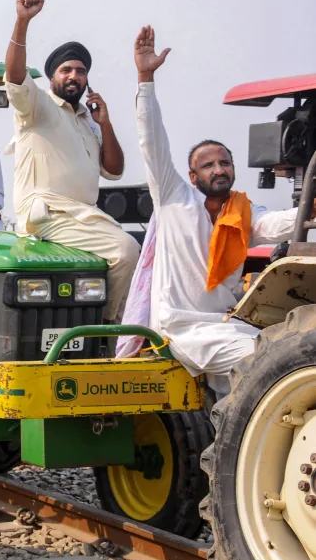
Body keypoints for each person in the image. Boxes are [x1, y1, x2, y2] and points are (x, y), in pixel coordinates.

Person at [129, 26, 305, 395]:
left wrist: (311, 207)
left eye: (225, 162)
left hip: (227, 324)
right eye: (208, 165)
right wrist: (145, 78)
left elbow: (280, 225)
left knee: (284, 351)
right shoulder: (174, 197)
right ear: (193, 176)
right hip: (181, 329)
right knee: (270, 361)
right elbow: (151, 138)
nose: (219, 169)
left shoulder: (243, 211)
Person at [5, 0, 139, 323]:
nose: (74, 76)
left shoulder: (87, 120)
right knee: (125, 250)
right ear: (53, 77)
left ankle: (113, 330)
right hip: (47, 214)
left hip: (83, 217)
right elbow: (15, 76)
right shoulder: (38, 106)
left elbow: (114, 170)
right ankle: (101, 326)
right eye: (66, 70)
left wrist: (105, 124)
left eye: (80, 71)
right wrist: (22, 21)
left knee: (139, 258)